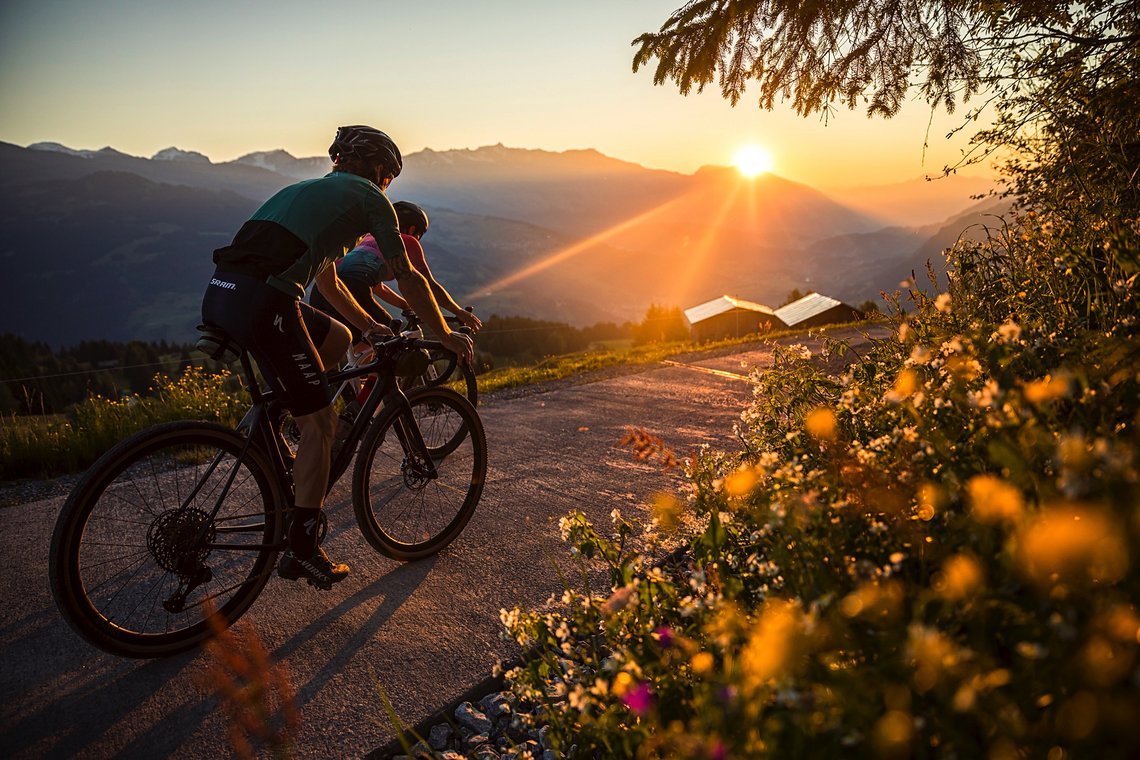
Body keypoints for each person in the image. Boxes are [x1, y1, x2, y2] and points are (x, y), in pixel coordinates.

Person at [201, 125, 474, 589]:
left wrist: (368, 327)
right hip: (265, 303)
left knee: (335, 339)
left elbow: (327, 281)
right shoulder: (371, 199)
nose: (386, 185)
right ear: (381, 172)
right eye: (388, 177)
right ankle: (302, 549)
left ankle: (270, 417)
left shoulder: (309, 192)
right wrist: (445, 333)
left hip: (223, 294)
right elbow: (408, 277)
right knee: (324, 422)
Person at [308, 200, 483, 340]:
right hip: (352, 290)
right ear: (413, 229)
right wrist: (458, 312)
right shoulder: (406, 240)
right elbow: (429, 285)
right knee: (393, 341)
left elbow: (377, 287)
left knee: (363, 353)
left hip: (323, 292)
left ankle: (357, 386)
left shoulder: (366, 239)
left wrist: (404, 305)